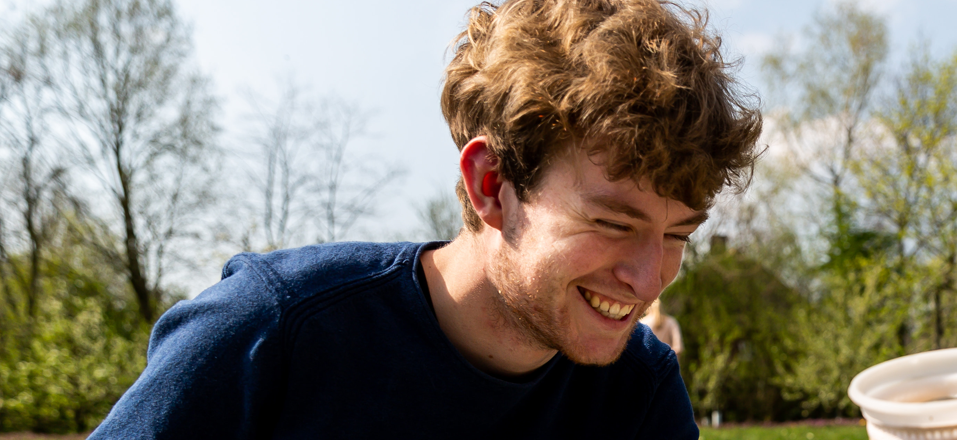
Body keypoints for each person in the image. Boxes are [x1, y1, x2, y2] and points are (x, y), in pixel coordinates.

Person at [89, 0, 760, 438]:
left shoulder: (638, 395)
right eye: (614, 223)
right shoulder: (269, 332)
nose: (649, 280)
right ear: (492, 185)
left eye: (678, 236)